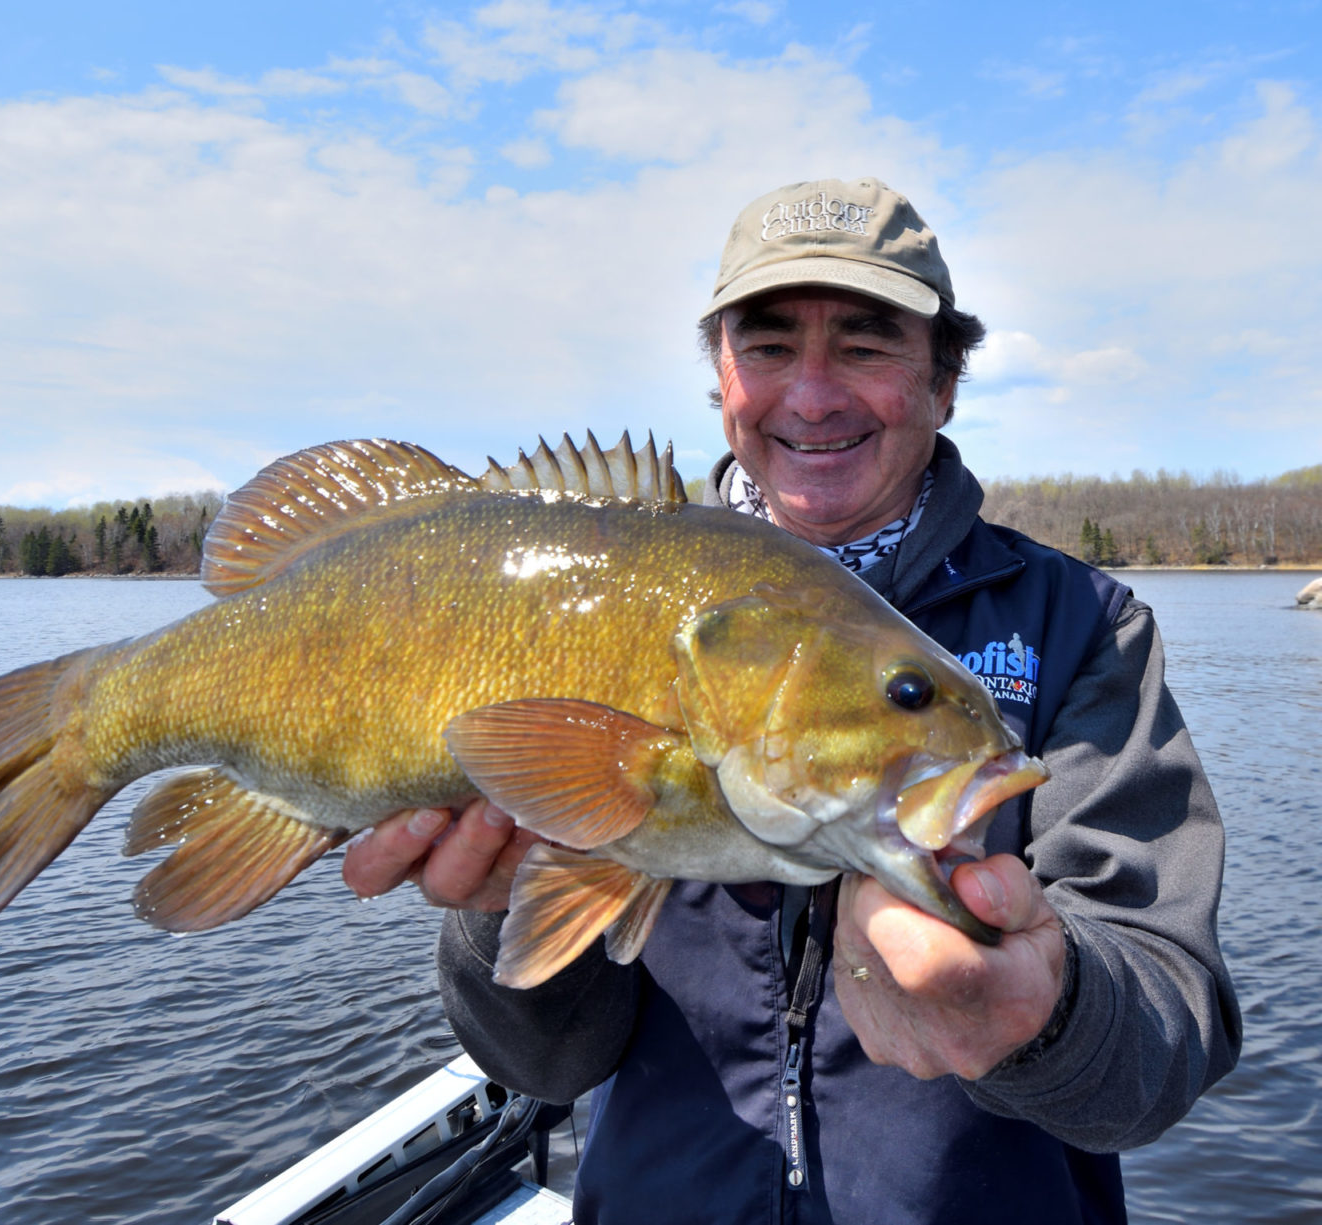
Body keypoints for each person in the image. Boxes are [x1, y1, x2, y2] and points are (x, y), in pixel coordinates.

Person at [342, 177, 1241, 1224]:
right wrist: (495, 909)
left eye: (866, 345)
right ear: (720, 378)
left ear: (945, 381)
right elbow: (543, 1063)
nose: (812, 396)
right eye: (767, 348)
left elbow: (1164, 1044)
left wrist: (1045, 1013)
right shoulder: (594, 590)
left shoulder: (1082, 623)